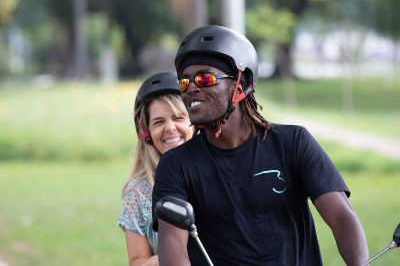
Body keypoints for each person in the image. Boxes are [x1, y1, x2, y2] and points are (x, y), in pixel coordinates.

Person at [152, 25, 369, 266]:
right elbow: (173, 249)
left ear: (240, 84)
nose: (191, 87)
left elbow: (341, 217)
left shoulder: (293, 143)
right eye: (184, 82)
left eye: (205, 78)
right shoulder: (175, 165)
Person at [118, 72, 194, 266]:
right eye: (159, 122)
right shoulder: (139, 192)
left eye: (178, 118)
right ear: (146, 132)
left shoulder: (215, 172)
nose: (170, 128)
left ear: (193, 123)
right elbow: (137, 261)